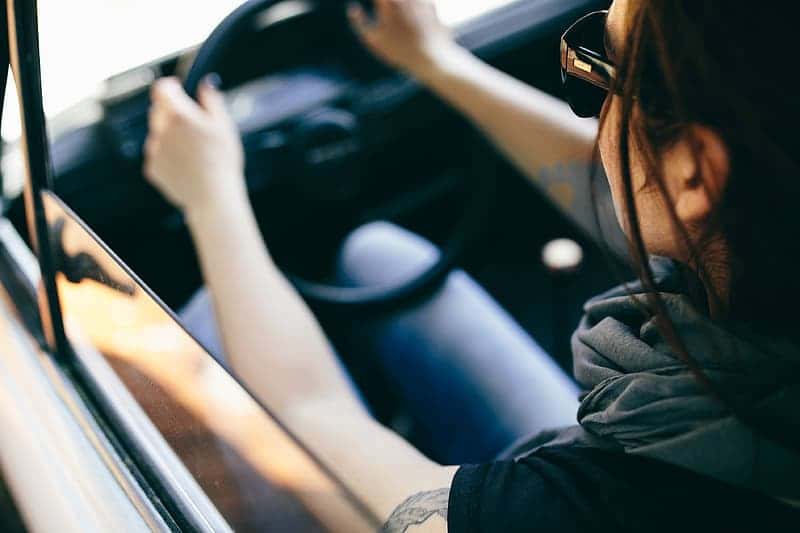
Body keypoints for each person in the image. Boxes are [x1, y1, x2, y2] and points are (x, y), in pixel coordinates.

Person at [144, 0, 800, 530]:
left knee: (206, 329)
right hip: (577, 448)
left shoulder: (604, 508)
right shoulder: (765, 236)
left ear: (695, 174)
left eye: (604, 70)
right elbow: (626, 186)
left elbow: (316, 419)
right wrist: (435, 62)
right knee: (379, 255)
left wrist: (210, 198)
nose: (593, 99)